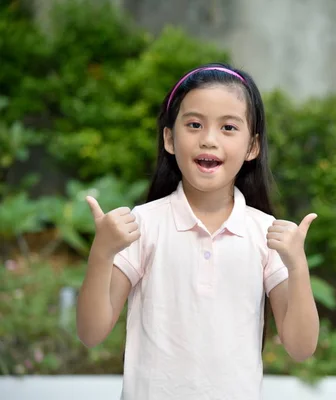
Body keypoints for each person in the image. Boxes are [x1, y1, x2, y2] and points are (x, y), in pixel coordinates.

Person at [76, 63, 320, 399]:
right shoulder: (143, 225)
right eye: (194, 124)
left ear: (253, 147)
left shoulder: (264, 234)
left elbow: (301, 347)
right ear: (169, 138)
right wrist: (102, 252)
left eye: (228, 127)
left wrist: (297, 266)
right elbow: (91, 332)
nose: (208, 139)